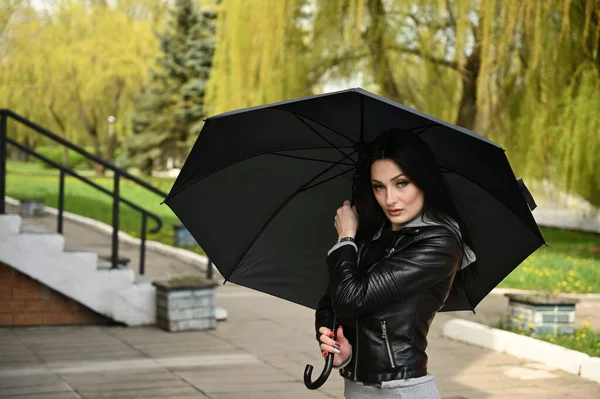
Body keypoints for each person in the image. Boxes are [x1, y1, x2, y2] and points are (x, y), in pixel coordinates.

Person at [315, 128, 477, 398]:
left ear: (423, 181)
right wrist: (343, 351)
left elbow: (351, 298)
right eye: (379, 186)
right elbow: (329, 301)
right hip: (356, 386)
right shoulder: (373, 235)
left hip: (402, 390)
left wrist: (345, 238)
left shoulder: (440, 243)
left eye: (401, 183)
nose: (389, 199)